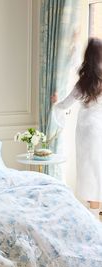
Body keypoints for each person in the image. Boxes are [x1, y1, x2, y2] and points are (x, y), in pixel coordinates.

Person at [51, 38, 102, 219]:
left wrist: (55, 103)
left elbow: (65, 105)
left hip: (86, 129)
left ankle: (95, 213)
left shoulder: (84, 82)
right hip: (100, 127)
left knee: (89, 168)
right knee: (98, 167)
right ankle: (98, 213)